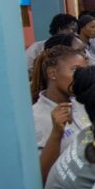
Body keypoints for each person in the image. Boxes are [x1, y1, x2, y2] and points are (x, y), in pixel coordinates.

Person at [31, 46, 90, 181]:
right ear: (52, 73)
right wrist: (56, 134)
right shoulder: (36, 117)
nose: (81, 77)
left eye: (84, 71)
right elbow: (40, 178)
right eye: (75, 70)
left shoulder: (81, 103)